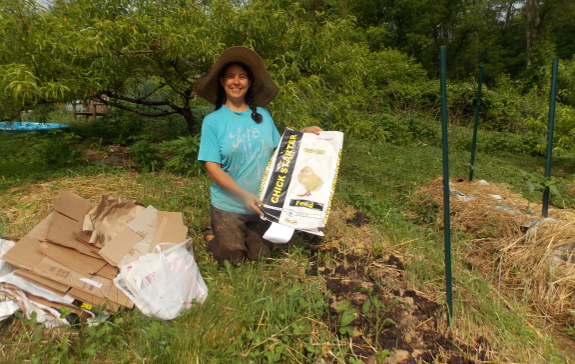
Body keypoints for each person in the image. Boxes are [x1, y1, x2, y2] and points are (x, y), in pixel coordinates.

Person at [194, 46, 321, 265]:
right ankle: (211, 232)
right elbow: (212, 167)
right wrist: (244, 196)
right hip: (229, 203)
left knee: (260, 256)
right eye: (231, 76)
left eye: (242, 77)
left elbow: (280, 150)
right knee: (232, 260)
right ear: (223, 81)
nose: (237, 81)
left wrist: (303, 135)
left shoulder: (262, 115)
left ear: (250, 83)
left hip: (262, 202)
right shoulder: (213, 121)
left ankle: (241, 234)